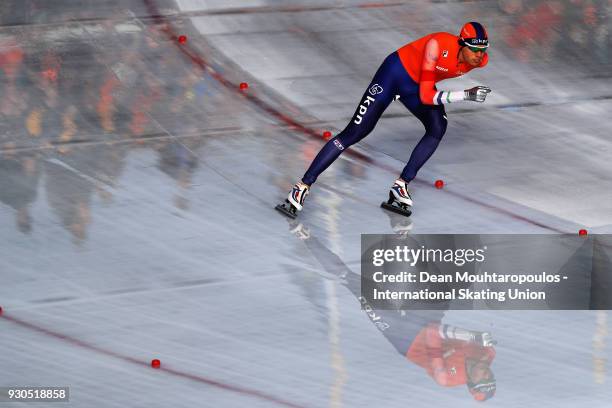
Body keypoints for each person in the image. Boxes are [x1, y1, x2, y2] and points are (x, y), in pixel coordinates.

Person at [278, 22, 492, 217]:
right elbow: (427, 96)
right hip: (393, 74)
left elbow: (426, 90)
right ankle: (301, 188)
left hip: (416, 85)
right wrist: (465, 95)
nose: (478, 55)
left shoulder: (479, 60)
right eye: (474, 49)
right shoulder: (438, 44)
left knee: (438, 126)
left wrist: (461, 90)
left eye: (482, 50)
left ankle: (401, 185)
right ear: (460, 44)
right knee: (356, 132)